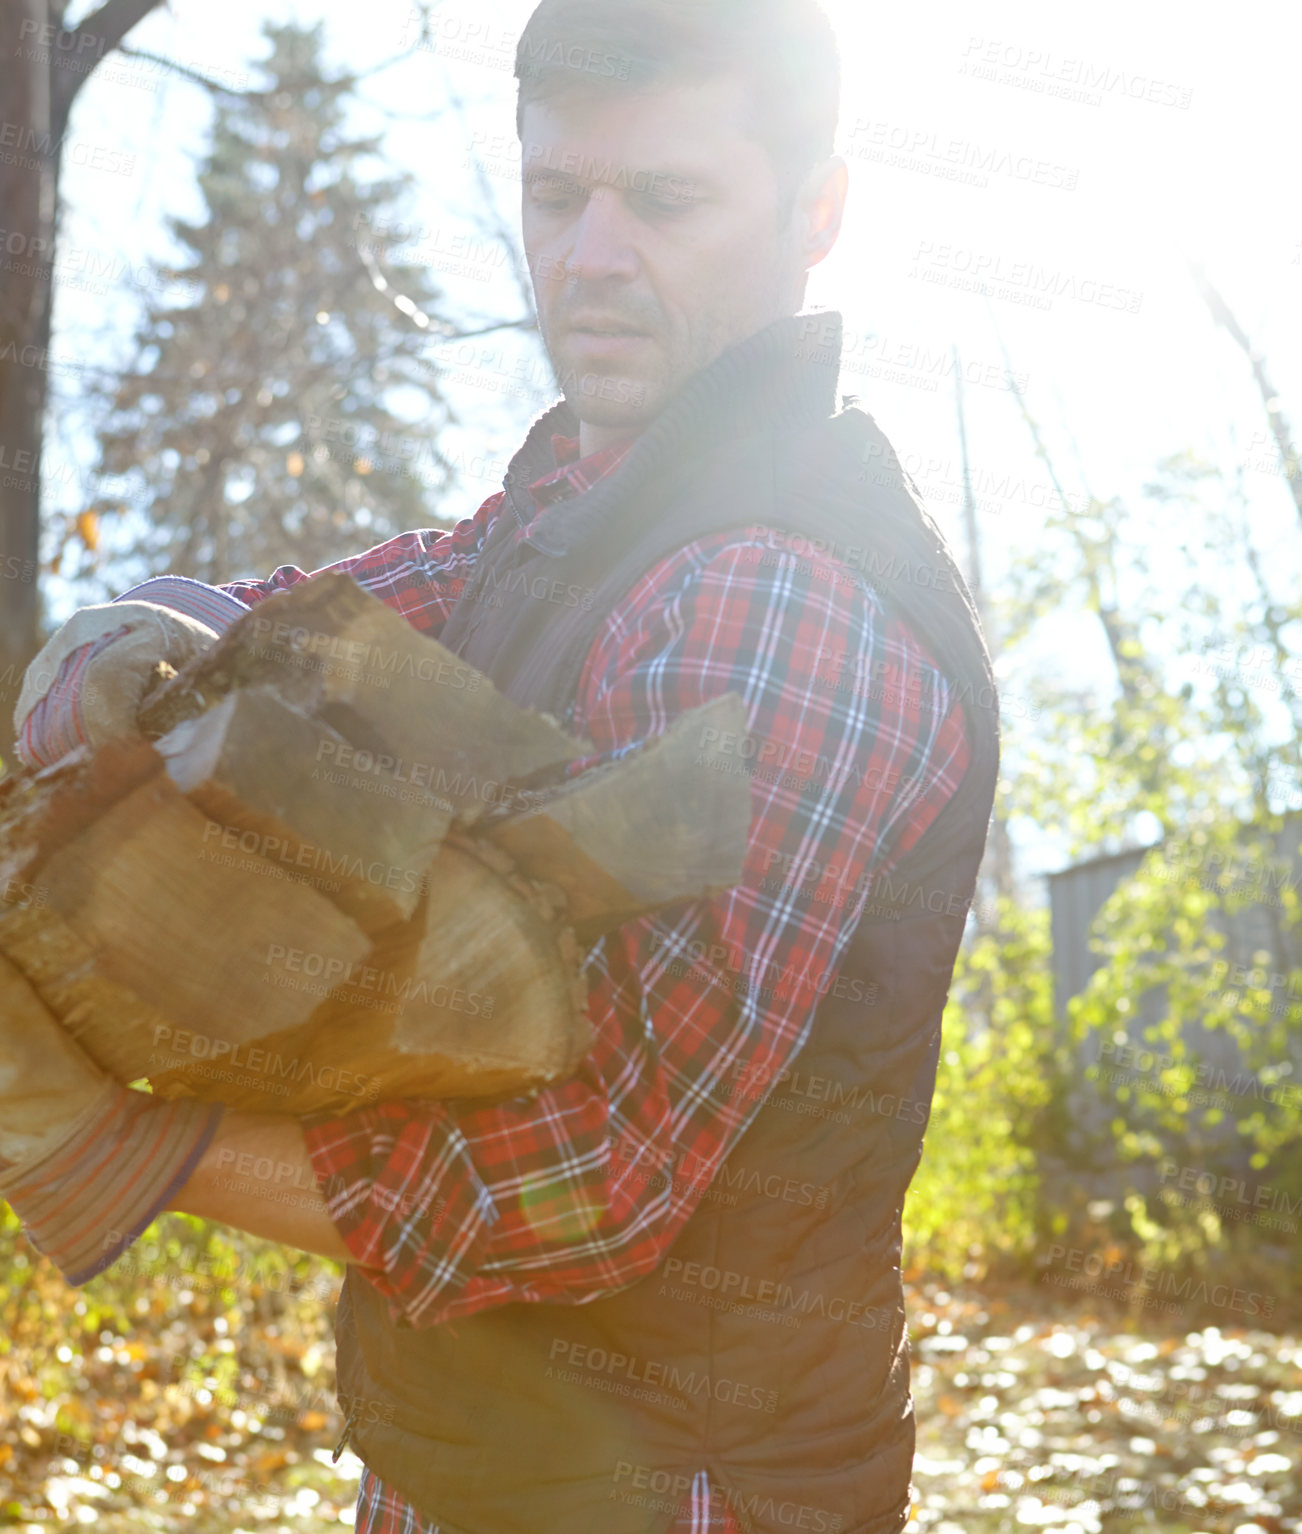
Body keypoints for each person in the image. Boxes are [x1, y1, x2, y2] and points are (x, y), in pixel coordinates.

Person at [0, 2, 999, 1530]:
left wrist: (119, 1141)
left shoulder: (788, 592)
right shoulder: (584, 502)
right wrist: (138, 639)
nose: (591, 254)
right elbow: (354, 614)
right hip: (476, 1460)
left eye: (662, 200)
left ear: (817, 210)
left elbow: (594, 1167)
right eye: (555, 195)